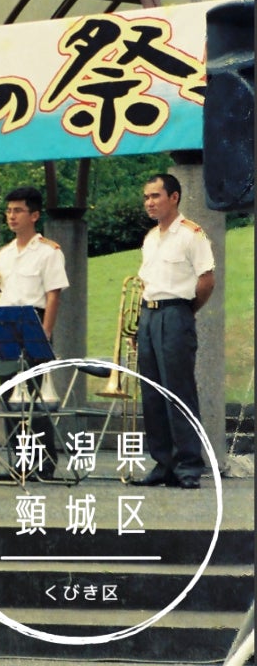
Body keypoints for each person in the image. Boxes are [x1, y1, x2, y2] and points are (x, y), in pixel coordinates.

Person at [131, 173, 215, 490]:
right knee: (152, 393)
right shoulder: (151, 237)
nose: (149, 202)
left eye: (155, 196)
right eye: (146, 197)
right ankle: (163, 463)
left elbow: (206, 280)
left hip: (176, 313)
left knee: (179, 391)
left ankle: (189, 465)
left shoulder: (192, 234)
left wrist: (185, 311)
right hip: (149, 315)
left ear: (174, 197)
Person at [0, 186, 69, 482]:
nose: (12, 216)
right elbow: (2, 293)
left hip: (34, 320)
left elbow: (53, 294)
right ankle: (21, 461)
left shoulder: (49, 251)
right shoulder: (4, 253)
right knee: (10, 394)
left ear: (34, 215)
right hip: (6, 321)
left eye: (18, 211)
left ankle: (44, 462)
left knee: (35, 396)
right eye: (9, 211)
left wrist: (45, 331)